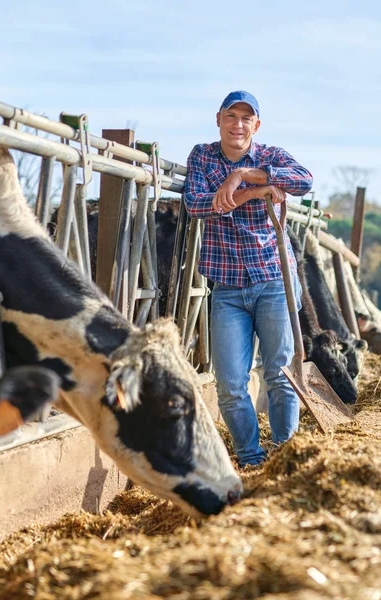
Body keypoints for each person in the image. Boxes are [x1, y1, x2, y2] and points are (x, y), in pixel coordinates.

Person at [183, 90, 313, 466]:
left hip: (274, 280)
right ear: (219, 119)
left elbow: (303, 180)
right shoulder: (203, 156)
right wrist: (253, 192)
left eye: (246, 119)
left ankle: (284, 457)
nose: (238, 125)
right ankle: (251, 461)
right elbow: (196, 203)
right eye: (231, 117)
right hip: (228, 288)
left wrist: (240, 175)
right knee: (230, 385)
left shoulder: (270, 155)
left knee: (280, 374)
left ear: (256, 125)